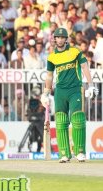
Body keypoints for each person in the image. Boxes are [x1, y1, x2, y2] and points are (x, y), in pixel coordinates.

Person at [40, 27, 98, 163]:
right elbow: (49, 76)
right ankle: (64, 154)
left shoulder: (75, 51)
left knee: (78, 119)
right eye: (57, 37)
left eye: (62, 37)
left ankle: (80, 152)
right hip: (60, 91)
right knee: (61, 121)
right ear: (54, 39)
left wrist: (90, 85)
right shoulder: (52, 56)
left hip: (75, 89)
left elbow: (85, 67)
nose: (59, 39)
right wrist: (45, 93)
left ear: (66, 39)